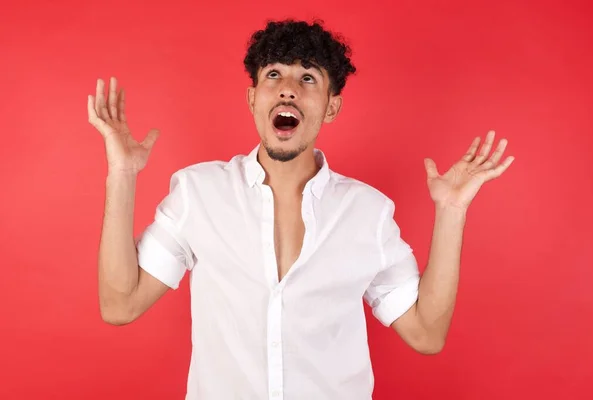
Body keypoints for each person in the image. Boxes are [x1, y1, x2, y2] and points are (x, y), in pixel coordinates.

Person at [87, 19, 514, 400]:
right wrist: (122, 174)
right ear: (253, 97)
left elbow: (426, 333)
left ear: (331, 106)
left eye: (308, 77)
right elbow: (120, 304)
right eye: (274, 74)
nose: (288, 87)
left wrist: (452, 210)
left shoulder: (367, 213)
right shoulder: (199, 193)